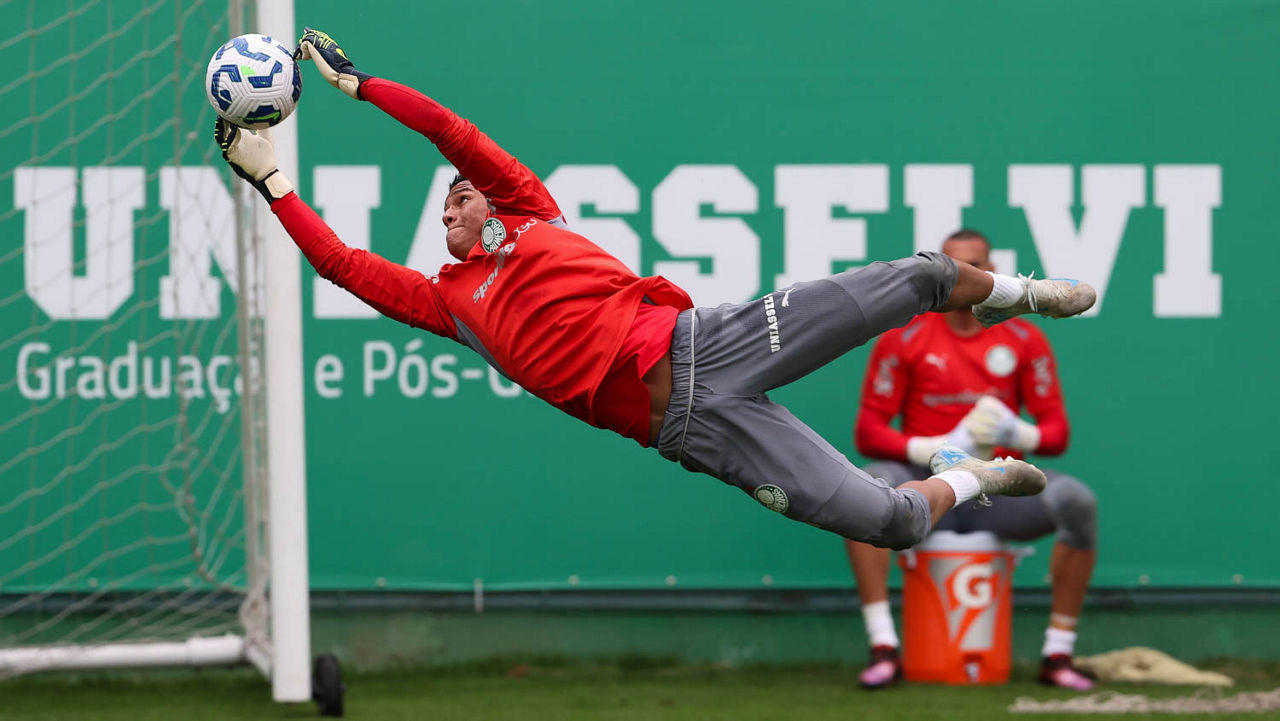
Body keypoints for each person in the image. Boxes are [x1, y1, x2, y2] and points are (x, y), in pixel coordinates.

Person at [214, 28, 1097, 556]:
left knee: (923, 276)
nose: (453, 199)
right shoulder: (450, 303)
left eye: (462, 191)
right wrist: (274, 183)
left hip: (709, 342)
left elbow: (451, 131)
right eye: (444, 203)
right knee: (894, 523)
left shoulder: (529, 207)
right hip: (691, 428)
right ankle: (969, 476)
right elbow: (340, 264)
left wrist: (362, 87)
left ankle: (1018, 289)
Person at [845, 229, 1098, 691]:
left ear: (993, 273)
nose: (966, 275)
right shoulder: (904, 337)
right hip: (926, 489)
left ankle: (1058, 653)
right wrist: (933, 447)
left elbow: (1057, 436)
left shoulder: (1025, 338)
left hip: (1000, 488)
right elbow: (868, 432)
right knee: (864, 489)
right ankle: (883, 647)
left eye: (976, 266)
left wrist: (1017, 432)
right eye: (956, 266)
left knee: (1077, 502)